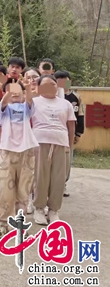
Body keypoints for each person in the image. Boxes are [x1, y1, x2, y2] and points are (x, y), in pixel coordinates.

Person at [0, 79, 39, 238]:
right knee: (5, 190)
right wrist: (8, 91)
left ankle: (19, 225)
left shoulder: (27, 108)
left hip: (27, 152)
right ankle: (2, 223)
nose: (15, 94)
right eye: (11, 91)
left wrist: (27, 88)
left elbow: (30, 100)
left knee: (23, 190)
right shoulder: (3, 109)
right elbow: (3, 102)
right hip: (7, 151)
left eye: (18, 91)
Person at [31, 75, 76, 225]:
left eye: (53, 84)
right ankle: (39, 209)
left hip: (61, 143)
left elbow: (71, 126)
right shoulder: (33, 102)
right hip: (39, 142)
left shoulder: (66, 104)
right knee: (40, 177)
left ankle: (54, 210)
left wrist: (69, 146)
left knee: (58, 179)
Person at [54, 70, 84, 198]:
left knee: (67, 160)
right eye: (59, 80)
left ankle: (63, 184)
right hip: (54, 133)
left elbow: (80, 115)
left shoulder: (76, 97)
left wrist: (78, 133)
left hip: (68, 134)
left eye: (65, 80)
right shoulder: (51, 96)